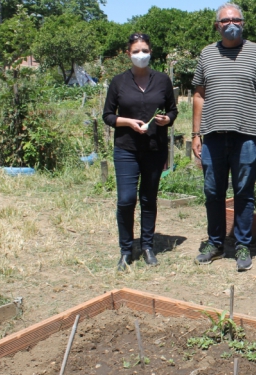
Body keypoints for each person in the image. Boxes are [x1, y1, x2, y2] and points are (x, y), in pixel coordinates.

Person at [191, 3, 256, 272]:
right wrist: (196, 133)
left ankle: (242, 244)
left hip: (247, 136)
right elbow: (198, 95)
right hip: (213, 136)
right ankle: (215, 243)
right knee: (213, 192)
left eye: (236, 19)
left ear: (243, 23)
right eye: (225, 20)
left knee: (244, 193)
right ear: (217, 26)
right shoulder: (207, 54)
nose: (231, 23)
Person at [102, 33, 178, 271]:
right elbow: (108, 115)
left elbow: (173, 110)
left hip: (155, 149)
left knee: (148, 198)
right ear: (129, 54)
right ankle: (126, 250)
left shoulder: (163, 80)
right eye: (136, 51)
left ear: (151, 52)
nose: (140, 55)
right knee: (126, 200)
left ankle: (147, 246)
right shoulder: (119, 82)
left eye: (144, 50)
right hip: (127, 149)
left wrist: (167, 120)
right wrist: (127, 122)